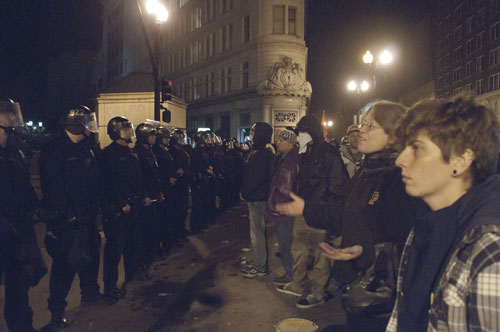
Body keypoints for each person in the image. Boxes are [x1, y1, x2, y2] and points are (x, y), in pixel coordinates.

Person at [386, 97, 500, 331]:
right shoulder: (425, 226)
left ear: (461, 159)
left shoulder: (489, 250)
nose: (400, 160)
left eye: (416, 148)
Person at [319, 101, 417, 331]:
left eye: (370, 126)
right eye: (362, 125)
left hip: (378, 292)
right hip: (352, 279)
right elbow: (346, 210)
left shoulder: (400, 178)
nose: (360, 131)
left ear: (394, 135)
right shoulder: (368, 168)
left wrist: (364, 251)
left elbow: (404, 242)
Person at [39, 106, 104, 329]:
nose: (90, 126)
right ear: (75, 125)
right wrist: (67, 215)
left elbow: (94, 182)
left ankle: (90, 295)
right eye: (86, 121)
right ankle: (57, 312)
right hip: (67, 222)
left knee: (91, 259)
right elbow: (54, 188)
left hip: (87, 217)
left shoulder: (87, 148)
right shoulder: (55, 150)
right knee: (64, 269)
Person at [276, 114, 349, 309]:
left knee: (320, 256)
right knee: (299, 249)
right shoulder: (304, 154)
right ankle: (298, 285)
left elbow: (337, 185)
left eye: (301, 132)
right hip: (304, 209)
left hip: (320, 211)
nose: (298, 136)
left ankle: (318, 293)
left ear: (311, 133)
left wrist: (324, 209)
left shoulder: (328, 154)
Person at [0, 100, 46, 332]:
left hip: (18, 229)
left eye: (11, 113)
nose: (11, 118)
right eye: (5, 114)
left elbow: (24, 185)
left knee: (20, 285)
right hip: (4, 228)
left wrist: (37, 207)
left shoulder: (14, 148)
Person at [99, 116, 143, 302]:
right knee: (114, 251)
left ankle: (131, 277)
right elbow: (107, 184)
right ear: (115, 132)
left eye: (129, 129)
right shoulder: (108, 154)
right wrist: (119, 203)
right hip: (118, 210)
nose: (128, 132)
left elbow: (137, 179)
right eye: (125, 129)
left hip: (133, 206)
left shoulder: (131, 153)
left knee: (131, 245)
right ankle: (110, 288)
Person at [240, 122, 276, 278]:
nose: (251, 133)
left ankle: (260, 265)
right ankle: (258, 261)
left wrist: (245, 192)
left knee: (257, 234)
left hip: (257, 198)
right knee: (257, 233)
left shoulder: (261, 154)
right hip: (258, 196)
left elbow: (256, 178)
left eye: (254, 130)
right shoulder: (261, 152)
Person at [265, 128, 300, 286]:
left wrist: (278, 205)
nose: (277, 143)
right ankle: (292, 273)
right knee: (287, 242)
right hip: (290, 207)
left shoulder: (289, 162)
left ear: (290, 143)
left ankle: (290, 274)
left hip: (286, 208)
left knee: (286, 243)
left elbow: (285, 187)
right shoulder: (289, 158)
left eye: (281, 140)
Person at [134, 122, 163, 279]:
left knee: (152, 232)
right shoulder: (137, 153)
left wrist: (158, 192)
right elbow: (139, 178)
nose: (154, 137)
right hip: (144, 201)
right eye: (152, 135)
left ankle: (149, 261)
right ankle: (140, 266)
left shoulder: (150, 152)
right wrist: (143, 195)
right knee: (142, 235)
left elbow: (154, 174)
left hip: (153, 198)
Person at [152, 126, 177, 256]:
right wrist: (167, 181)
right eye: (165, 137)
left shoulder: (164, 151)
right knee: (161, 220)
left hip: (169, 189)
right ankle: (159, 247)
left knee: (168, 218)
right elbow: (157, 173)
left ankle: (167, 243)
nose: (168, 140)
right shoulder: (156, 152)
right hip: (163, 189)